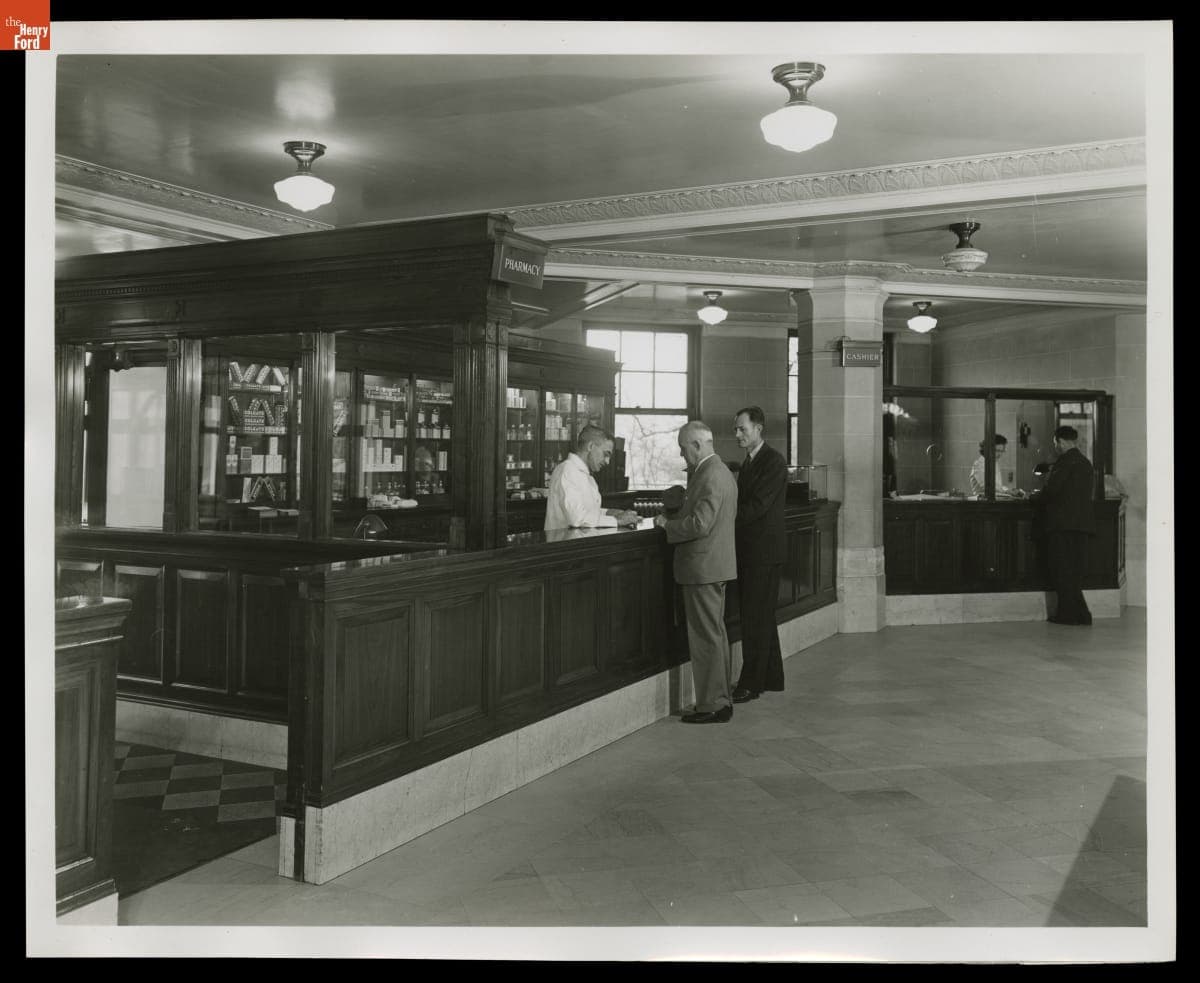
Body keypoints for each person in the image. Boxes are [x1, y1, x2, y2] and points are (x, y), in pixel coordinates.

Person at [654, 421, 738, 723]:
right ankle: (719, 700)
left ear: (697, 445)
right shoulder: (718, 472)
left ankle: (712, 704)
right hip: (712, 566)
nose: (681, 456)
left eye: (683, 449)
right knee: (714, 635)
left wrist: (667, 526)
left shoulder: (710, 474)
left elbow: (701, 524)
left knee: (706, 638)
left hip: (703, 568)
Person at [730, 406, 788, 704]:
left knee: (755, 619)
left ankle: (750, 684)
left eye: (743, 429)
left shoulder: (773, 461)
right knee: (761, 617)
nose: (738, 434)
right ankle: (772, 678)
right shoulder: (751, 461)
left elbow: (758, 507)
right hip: (754, 551)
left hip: (763, 553)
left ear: (759, 428)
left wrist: (725, 517)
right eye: (737, 429)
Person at [1033, 424, 1096, 625]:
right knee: (1073, 572)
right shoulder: (1086, 463)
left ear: (1060, 442)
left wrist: (1033, 497)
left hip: (1061, 524)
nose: (1056, 447)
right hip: (1081, 525)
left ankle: (1069, 615)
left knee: (1061, 571)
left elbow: (1052, 491)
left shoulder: (1064, 462)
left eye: (1055, 443)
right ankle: (1080, 614)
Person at [544, 425, 640, 531]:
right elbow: (577, 518)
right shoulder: (567, 471)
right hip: (563, 545)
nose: (607, 461)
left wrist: (609, 512)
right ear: (590, 446)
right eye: (605, 454)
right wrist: (616, 520)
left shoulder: (587, 476)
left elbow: (588, 514)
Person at [969, 433, 1023, 498]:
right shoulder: (979, 464)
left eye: (1002, 451)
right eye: (997, 450)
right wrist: (1007, 491)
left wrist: (1009, 490)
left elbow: (997, 486)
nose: (999, 454)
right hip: (982, 503)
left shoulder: (994, 463)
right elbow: (988, 486)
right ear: (987, 448)